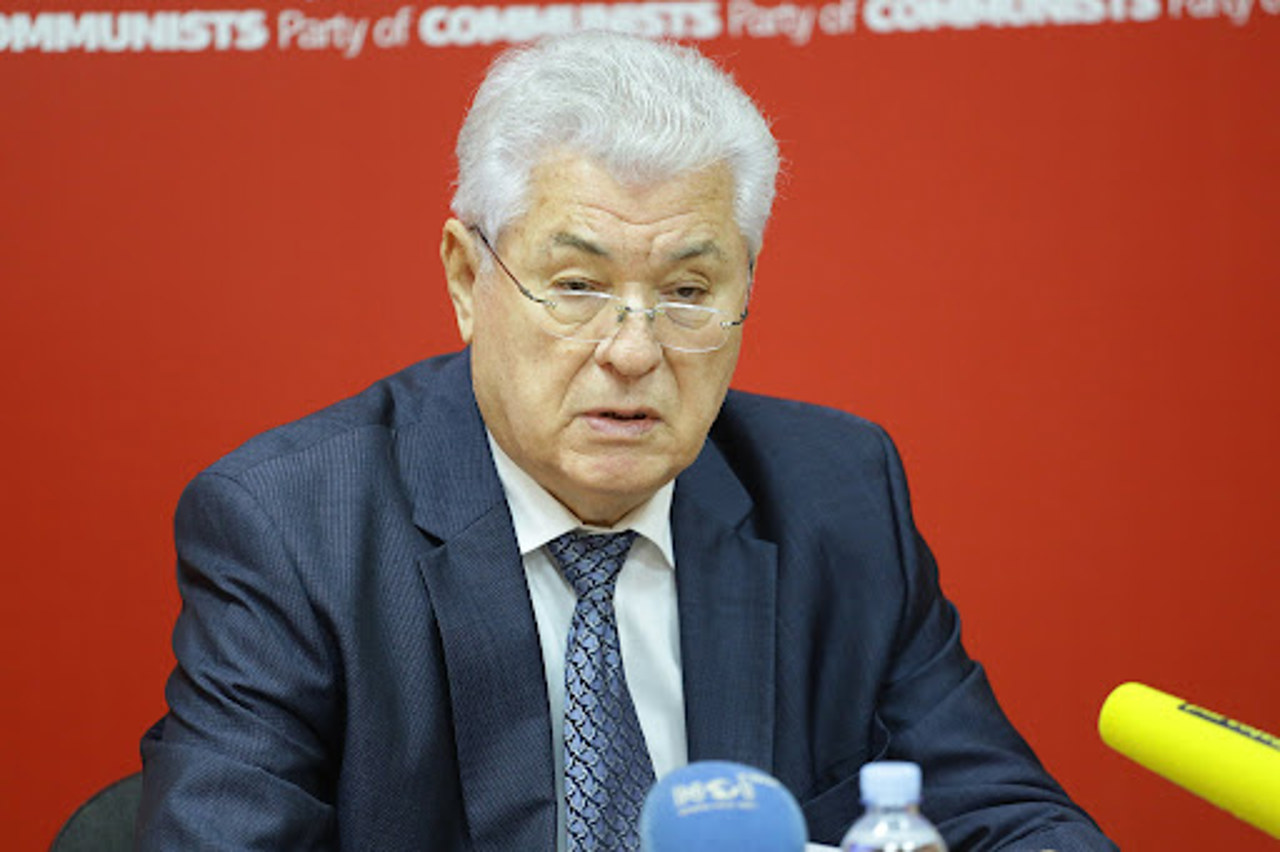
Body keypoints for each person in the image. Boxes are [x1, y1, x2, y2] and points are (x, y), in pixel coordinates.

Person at [137, 31, 1117, 852]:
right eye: (577, 286)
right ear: (465, 278)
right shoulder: (297, 531)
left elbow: (1006, 815)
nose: (634, 350)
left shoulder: (837, 499)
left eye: (687, 293)